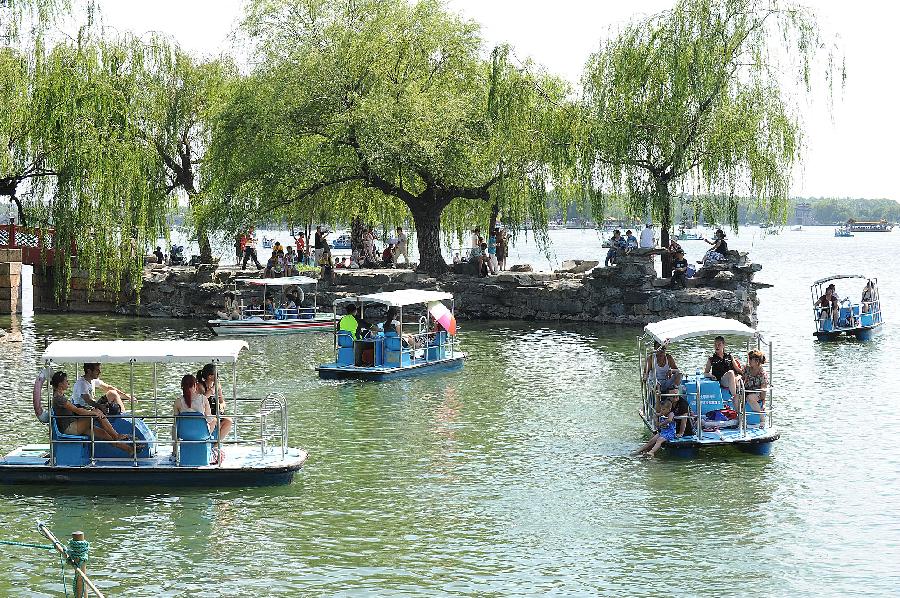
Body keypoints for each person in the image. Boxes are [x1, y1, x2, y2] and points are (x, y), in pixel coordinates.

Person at [52, 371, 135, 454]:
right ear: (60, 384)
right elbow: (77, 410)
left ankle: (129, 449)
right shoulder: (59, 398)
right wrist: (94, 413)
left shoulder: (60, 396)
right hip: (70, 429)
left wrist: (93, 412)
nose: (68, 383)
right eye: (66, 381)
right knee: (96, 412)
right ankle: (117, 435)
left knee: (104, 433)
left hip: (74, 424)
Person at [196, 364, 234, 441]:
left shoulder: (218, 386)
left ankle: (216, 446)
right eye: (216, 374)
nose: (218, 376)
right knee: (214, 420)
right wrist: (213, 389)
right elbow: (202, 399)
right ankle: (208, 442)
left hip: (216, 413)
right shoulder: (200, 386)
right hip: (205, 414)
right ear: (210, 376)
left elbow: (222, 401)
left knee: (229, 421)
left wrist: (222, 406)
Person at [742, 349, 769, 427]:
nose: (749, 360)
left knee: (750, 398)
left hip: (757, 393)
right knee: (736, 397)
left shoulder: (762, 374)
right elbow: (742, 377)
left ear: (757, 361)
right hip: (746, 390)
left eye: (750, 359)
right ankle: (740, 419)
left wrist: (763, 402)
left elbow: (763, 390)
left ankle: (762, 418)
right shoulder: (747, 369)